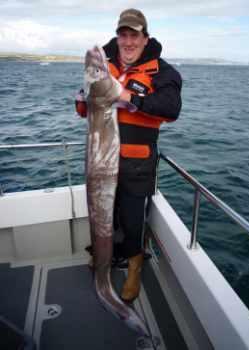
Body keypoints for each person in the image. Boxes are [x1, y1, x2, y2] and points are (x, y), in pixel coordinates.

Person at [76, 8, 182, 302]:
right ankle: (102, 257)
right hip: (99, 160)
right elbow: (85, 107)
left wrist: (127, 97)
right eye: (123, 35)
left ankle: (134, 267)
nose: (128, 41)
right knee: (100, 215)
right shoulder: (105, 67)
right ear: (118, 38)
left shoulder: (164, 72)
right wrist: (82, 99)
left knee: (133, 220)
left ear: (145, 38)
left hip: (137, 164)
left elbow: (170, 107)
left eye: (134, 35)